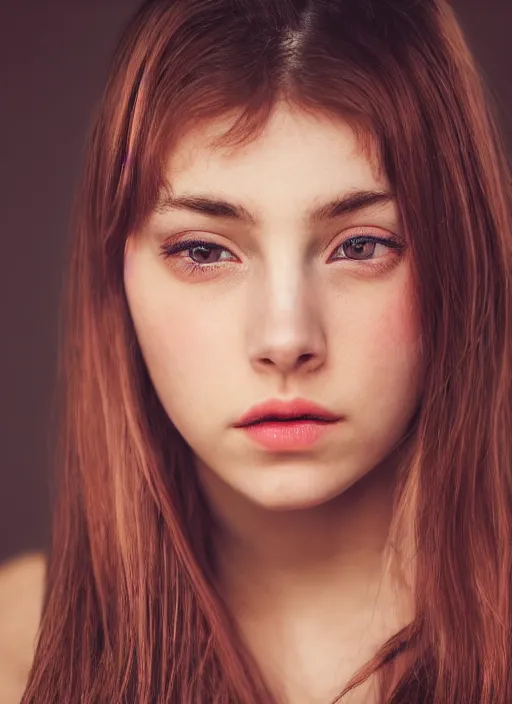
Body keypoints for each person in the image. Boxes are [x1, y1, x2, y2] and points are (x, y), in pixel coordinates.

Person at [21, 0, 512, 702]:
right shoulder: (15, 660)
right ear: (116, 275)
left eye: (361, 246)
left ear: (462, 260)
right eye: (203, 250)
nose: (285, 340)